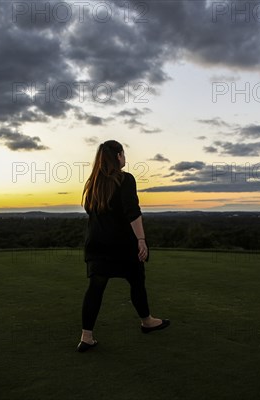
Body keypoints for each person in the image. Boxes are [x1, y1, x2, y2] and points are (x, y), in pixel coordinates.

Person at [77, 140, 170, 352]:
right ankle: (147, 321)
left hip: (97, 244)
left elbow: (91, 212)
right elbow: (132, 211)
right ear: (118, 156)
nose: (125, 157)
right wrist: (141, 239)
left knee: (96, 288)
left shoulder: (93, 183)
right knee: (137, 281)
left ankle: (86, 337)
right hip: (122, 245)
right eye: (123, 154)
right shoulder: (125, 179)